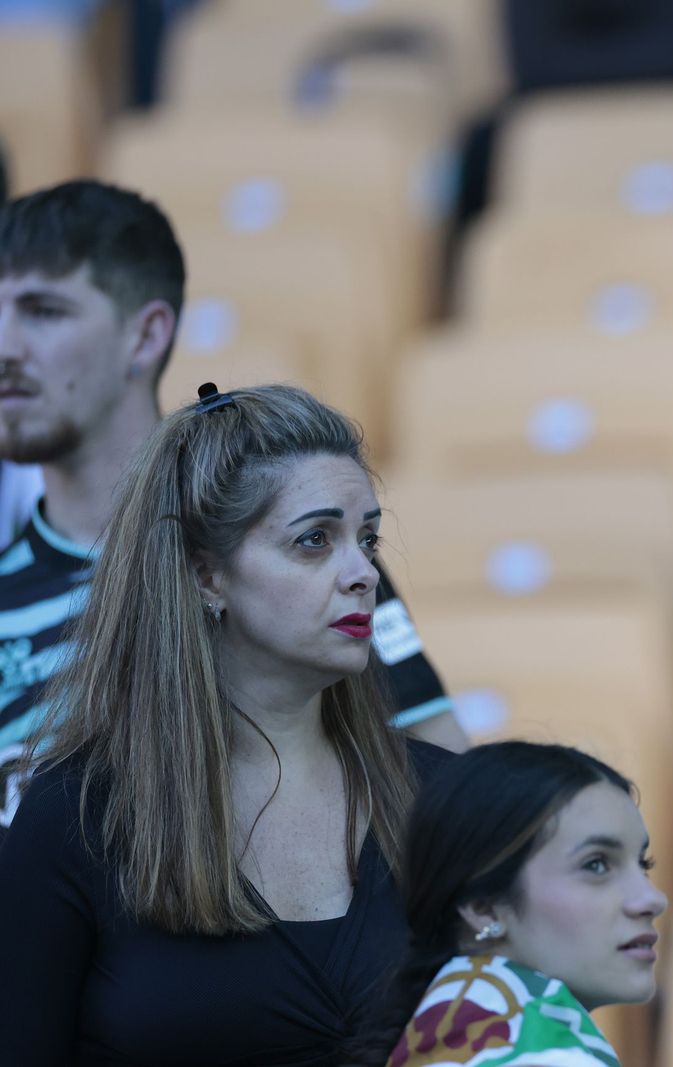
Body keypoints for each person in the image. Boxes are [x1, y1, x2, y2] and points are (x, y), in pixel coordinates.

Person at [0, 383, 456, 1064]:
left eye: (367, 537)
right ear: (204, 573)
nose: (364, 572)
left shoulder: (439, 797)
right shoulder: (74, 815)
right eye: (314, 540)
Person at [0, 180, 465, 845]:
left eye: (43, 312)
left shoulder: (301, 555)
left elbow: (449, 797)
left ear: (147, 335)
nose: (5, 345)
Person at [359, 741, 667, 1067]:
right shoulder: (538, 1057)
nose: (652, 899)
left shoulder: (454, 1022)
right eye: (596, 865)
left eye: (643, 864)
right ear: (483, 907)